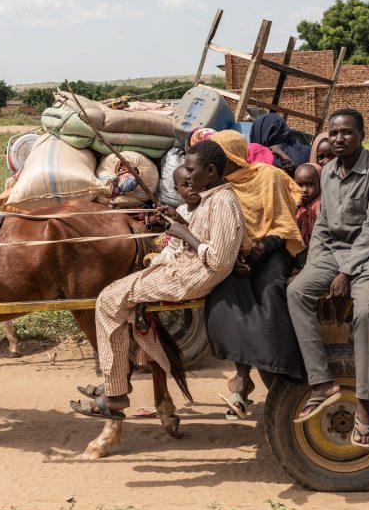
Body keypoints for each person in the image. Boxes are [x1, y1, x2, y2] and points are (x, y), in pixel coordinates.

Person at [70, 140, 243, 420]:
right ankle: (121, 379)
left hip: (194, 275)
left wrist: (184, 234)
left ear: (210, 172)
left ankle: (115, 394)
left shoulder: (223, 201)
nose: (186, 174)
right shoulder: (212, 199)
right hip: (187, 268)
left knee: (108, 300)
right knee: (118, 296)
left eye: (190, 168)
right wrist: (179, 226)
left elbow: (219, 260)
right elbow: (207, 240)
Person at [285, 109, 369, 448]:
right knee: (296, 292)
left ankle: (364, 406)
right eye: (333, 133)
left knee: (364, 314)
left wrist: (346, 272)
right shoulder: (330, 173)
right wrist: (315, 269)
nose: (338, 139)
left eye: (346, 133)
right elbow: (322, 228)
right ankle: (322, 383)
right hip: (335, 253)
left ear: (362, 135)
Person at [205, 130, 307, 419]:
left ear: (233, 157)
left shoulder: (268, 176)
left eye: (219, 157)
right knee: (230, 294)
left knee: (268, 290)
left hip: (273, 250)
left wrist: (266, 245)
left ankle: (281, 373)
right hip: (236, 254)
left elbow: (284, 224)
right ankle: (242, 379)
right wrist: (236, 256)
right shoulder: (219, 186)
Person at [149, 165, 202, 267]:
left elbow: (199, 236)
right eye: (186, 185)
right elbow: (173, 241)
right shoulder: (181, 209)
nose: (192, 188)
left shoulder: (204, 208)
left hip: (187, 256)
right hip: (170, 251)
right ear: (176, 189)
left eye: (195, 183)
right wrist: (165, 221)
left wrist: (178, 217)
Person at [292, 163, 321, 270]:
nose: (303, 190)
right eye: (299, 185)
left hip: (318, 257)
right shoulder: (293, 206)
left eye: (309, 184)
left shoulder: (322, 208)